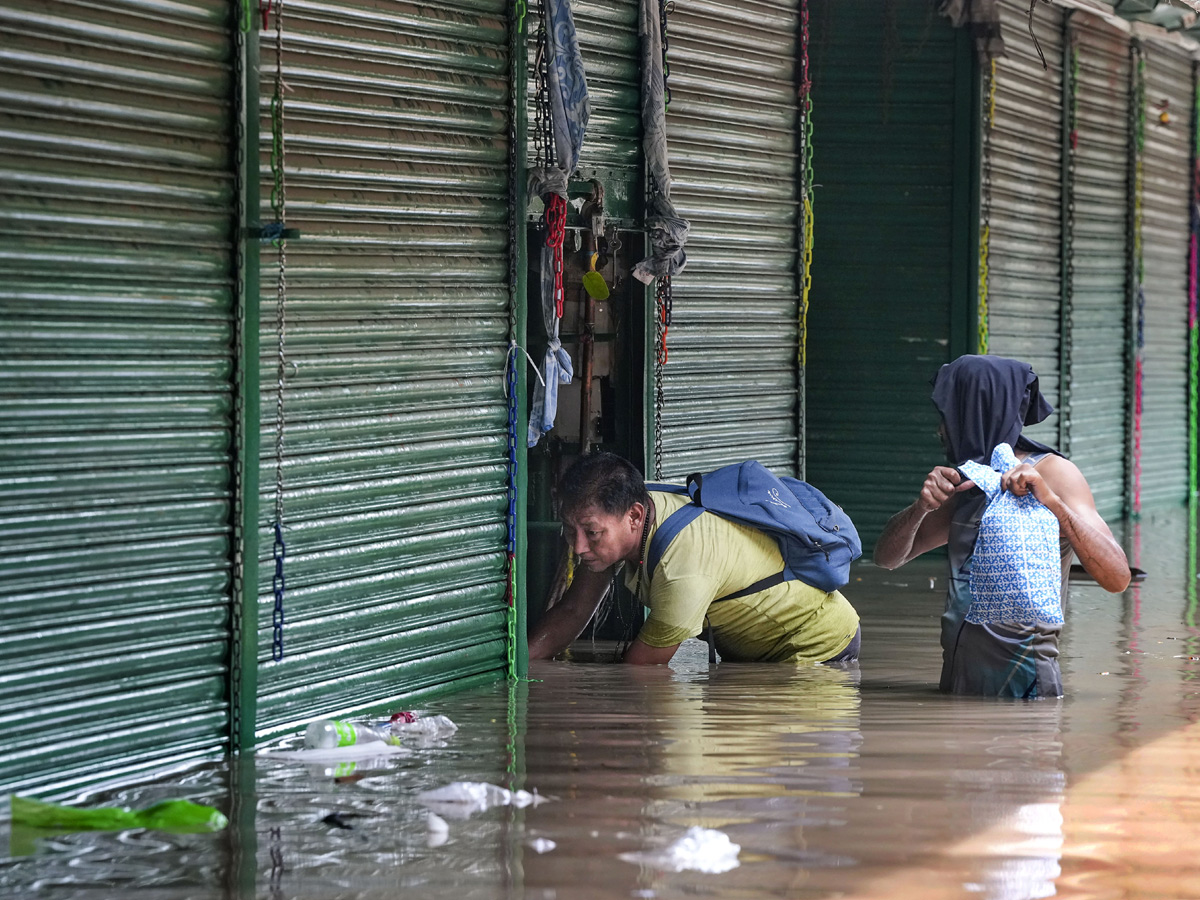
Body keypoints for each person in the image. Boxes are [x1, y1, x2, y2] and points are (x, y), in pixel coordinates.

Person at [873, 355, 1130, 698]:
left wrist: (1052, 503)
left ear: (972, 413)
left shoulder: (1055, 474)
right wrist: (922, 506)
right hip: (958, 682)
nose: (940, 429)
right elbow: (886, 558)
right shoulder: (965, 482)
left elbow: (1117, 578)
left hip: (1027, 688)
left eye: (946, 417)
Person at [527, 452, 861, 665]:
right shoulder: (632, 506)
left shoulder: (683, 568)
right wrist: (519, 665)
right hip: (757, 651)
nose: (578, 547)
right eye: (570, 531)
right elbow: (573, 609)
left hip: (817, 646)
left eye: (591, 533)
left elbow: (641, 670)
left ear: (634, 516)